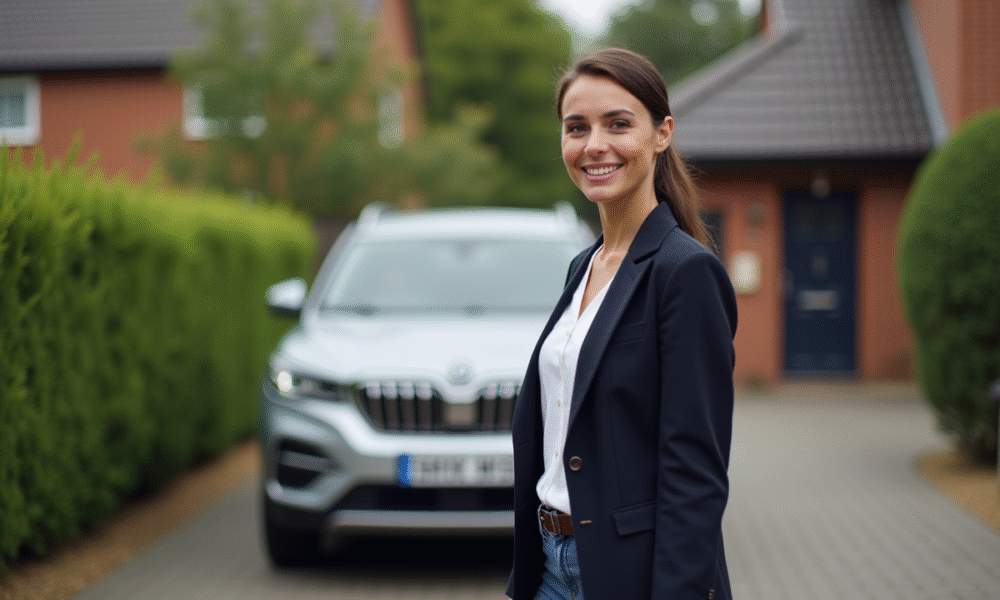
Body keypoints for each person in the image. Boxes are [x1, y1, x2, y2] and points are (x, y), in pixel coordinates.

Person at [506, 48, 738, 600]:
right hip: (550, 564)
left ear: (661, 134)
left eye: (618, 124)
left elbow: (695, 473)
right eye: (576, 127)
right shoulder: (582, 266)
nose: (594, 146)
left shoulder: (685, 273)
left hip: (625, 575)